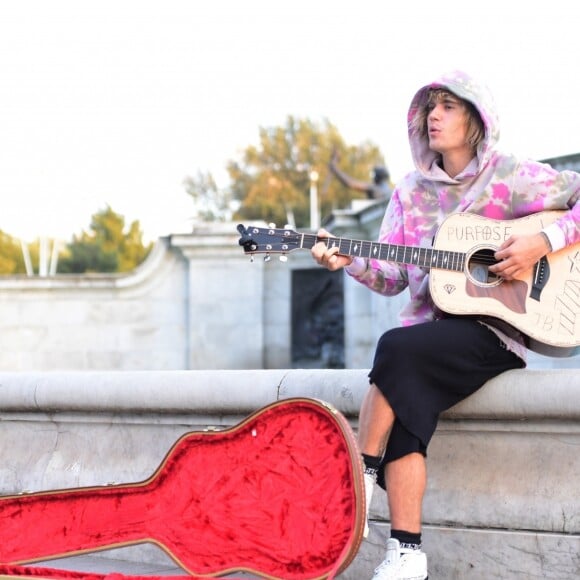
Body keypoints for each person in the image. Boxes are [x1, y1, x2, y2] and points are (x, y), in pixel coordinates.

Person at [311, 70, 580, 580]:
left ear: (475, 120)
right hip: (428, 339)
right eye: (430, 107)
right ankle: (407, 554)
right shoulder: (408, 194)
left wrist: (542, 242)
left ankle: (360, 476)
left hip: (493, 333)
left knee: (395, 349)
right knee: (408, 402)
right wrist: (349, 261)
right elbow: (393, 278)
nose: (433, 116)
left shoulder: (510, 176)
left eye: (448, 107)